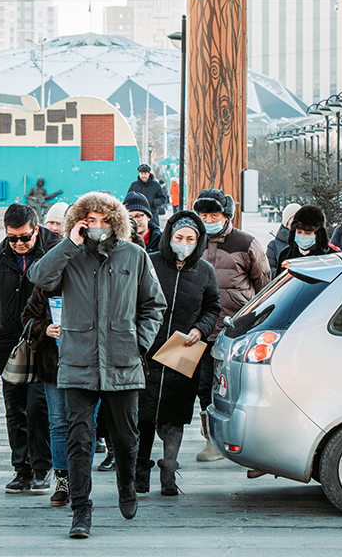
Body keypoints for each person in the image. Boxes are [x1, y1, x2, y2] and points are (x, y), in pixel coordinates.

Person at [28, 191, 166, 539]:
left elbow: (154, 304)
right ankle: (81, 510)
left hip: (123, 361)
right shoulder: (68, 256)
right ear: (79, 222)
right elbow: (39, 279)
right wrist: (67, 244)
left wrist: (139, 343)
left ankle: (126, 487)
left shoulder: (134, 256)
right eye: (89, 221)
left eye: (104, 220)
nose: (97, 227)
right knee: (79, 439)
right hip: (77, 361)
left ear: (116, 221)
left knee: (125, 436)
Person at [137, 211, 220, 496]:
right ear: (169, 237)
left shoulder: (205, 272)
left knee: (174, 417)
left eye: (190, 239)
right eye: (179, 238)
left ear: (198, 242)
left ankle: (169, 474)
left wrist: (200, 329)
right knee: (143, 416)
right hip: (148, 350)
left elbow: (213, 308)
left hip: (183, 352)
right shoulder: (149, 262)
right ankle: (139, 473)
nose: (183, 243)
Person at [0, 203, 60, 494]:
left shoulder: (54, 250)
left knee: (38, 407)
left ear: (36, 229)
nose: (19, 244)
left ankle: (42, 467)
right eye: (13, 238)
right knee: (14, 408)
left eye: (25, 237)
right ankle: (21, 468)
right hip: (9, 341)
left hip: (45, 341)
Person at [192, 189, 270, 461]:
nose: (208, 219)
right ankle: (211, 441)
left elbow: (264, 286)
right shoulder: (194, 241)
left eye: (213, 214)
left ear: (226, 215)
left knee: (236, 387)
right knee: (204, 388)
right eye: (203, 215)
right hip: (201, 328)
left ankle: (247, 441)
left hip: (235, 330)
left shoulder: (246, 243)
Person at [21, 283, 67, 506]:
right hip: (54, 366)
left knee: (86, 426)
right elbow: (28, 318)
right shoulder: (48, 285)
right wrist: (45, 328)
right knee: (57, 424)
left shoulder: (94, 277)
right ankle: (62, 482)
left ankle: (81, 482)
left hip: (89, 364)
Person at [275, 205, 338, 273]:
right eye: (299, 232)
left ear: (318, 234)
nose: (302, 236)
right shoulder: (285, 254)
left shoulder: (331, 257)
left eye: (308, 233)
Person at [266, 203, 301, 277]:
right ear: (287, 221)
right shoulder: (274, 245)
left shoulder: (306, 243)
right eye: (293, 218)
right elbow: (268, 269)